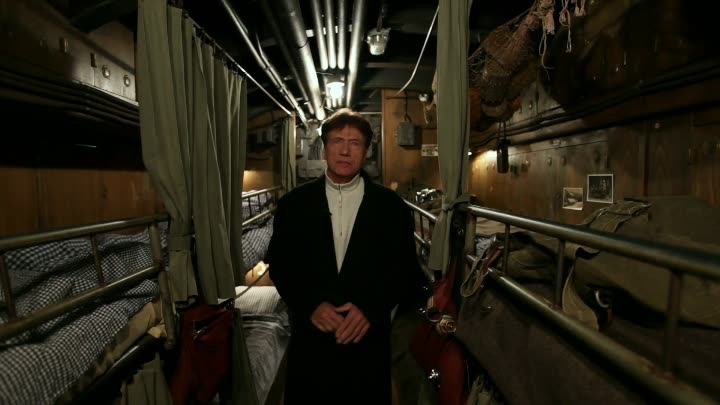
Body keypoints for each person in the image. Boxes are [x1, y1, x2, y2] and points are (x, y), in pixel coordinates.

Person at [266, 108, 426, 404]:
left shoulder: (391, 207)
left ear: (366, 151)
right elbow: (281, 266)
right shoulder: (294, 205)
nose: (344, 150)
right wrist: (310, 305)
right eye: (337, 141)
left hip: (366, 341)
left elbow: (405, 271)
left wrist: (371, 309)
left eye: (355, 143)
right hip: (312, 339)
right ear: (324, 148)